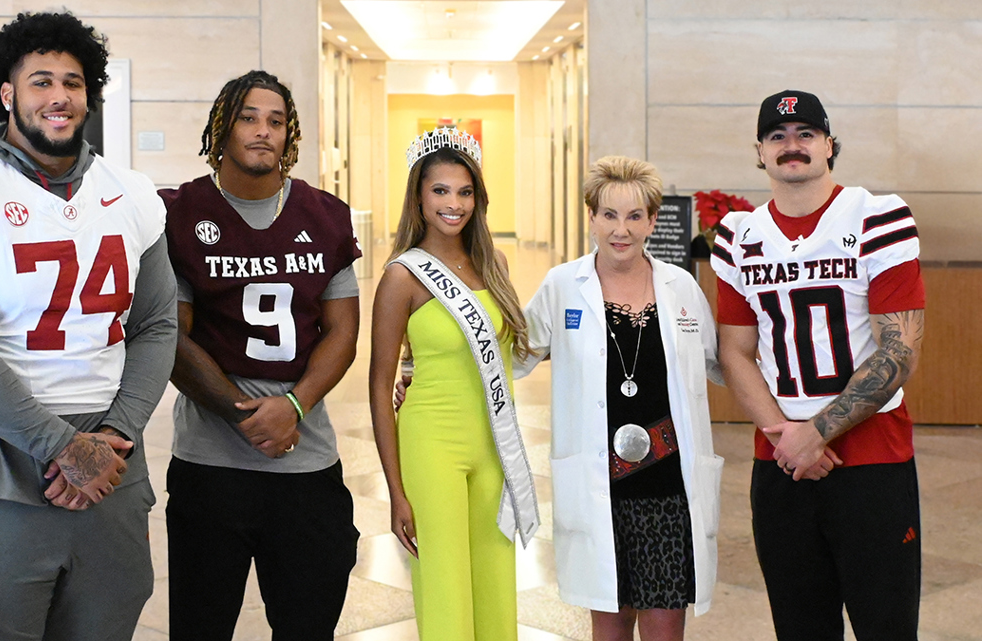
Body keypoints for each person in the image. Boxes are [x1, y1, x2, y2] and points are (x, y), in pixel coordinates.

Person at [0, 11, 177, 641]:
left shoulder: (134, 192)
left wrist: (114, 434)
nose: (59, 96)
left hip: (111, 459)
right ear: (7, 94)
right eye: (41, 81)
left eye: (73, 83)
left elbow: (157, 324)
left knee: (106, 625)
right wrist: (62, 447)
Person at [712, 90, 924, 640]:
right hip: (780, 460)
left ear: (829, 144)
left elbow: (900, 350)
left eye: (806, 133)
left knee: (886, 626)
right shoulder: (739, 236)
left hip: (872, 454)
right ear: (760, 152)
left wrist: (815, 433)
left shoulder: (876, 216)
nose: (792, 145)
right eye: (777, 136)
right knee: (799, 628)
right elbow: (735, 350)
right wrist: (788, 439)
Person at [161, 70, 361, 640]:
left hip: (305, 461)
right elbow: (171, 337)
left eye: (276, 121)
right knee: (200, 627)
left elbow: (343, 332)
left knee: (308, 626)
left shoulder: (324, 214)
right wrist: (246, 416)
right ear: (222, 128)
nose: (262, 131)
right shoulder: (180, 212)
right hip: (209, 464)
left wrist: (293, 407)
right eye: (248, 117)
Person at [517, 156, 722, 640]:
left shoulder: (681, 287)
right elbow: (512, 357)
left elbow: (723, 362)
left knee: (664, 625)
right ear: (590, 216)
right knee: (609, 626)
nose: (621, 230)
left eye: (634, 216)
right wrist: (427, 374)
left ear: (653, 220)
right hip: (600, 487)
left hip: (668, 488)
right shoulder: (563, 286)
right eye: (608, 214)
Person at [369, 127, 539, 640]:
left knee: (495, 588)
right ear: (419, 198)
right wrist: (396, 491)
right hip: (432, 446)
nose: (454, 204)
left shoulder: (495, 264)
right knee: (445, 594)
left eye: (465, 192)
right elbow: (379, 385)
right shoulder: (402, 277)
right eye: (440, 190)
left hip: (493, 446)